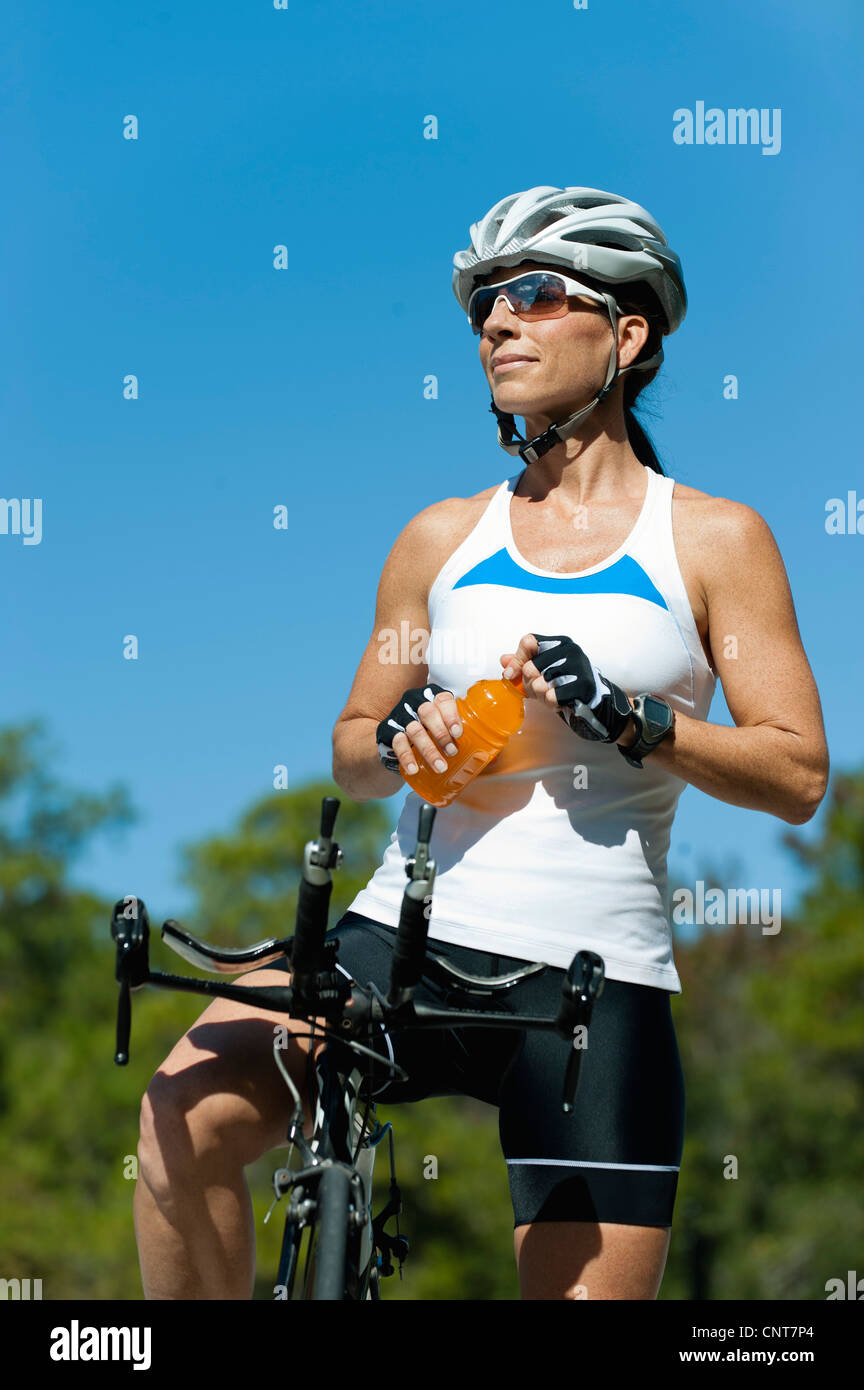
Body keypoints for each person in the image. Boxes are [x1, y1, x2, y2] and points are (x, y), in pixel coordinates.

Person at [134, 186, 829, 1301]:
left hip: (591, 984)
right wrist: (404, 731)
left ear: (628, 333)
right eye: (484, 308)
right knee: (180, 1116)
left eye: (535, 296)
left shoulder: (711, 537)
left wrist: (637, 719)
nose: (498, 322)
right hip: (400, 938)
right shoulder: (442, 537)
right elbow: (351, 746)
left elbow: (798, 772)